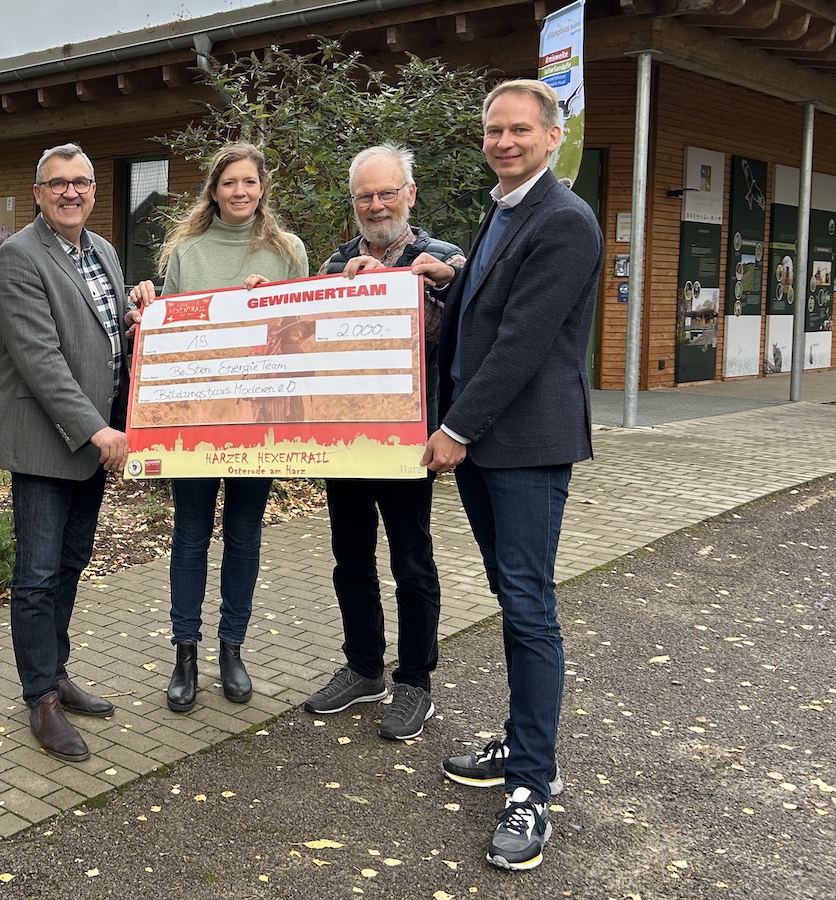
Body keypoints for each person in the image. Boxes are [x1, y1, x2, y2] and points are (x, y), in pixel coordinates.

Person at [420, 79, 604, 871]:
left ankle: (533, 783)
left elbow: (524, 341)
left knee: (528, 605)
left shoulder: (564, 220)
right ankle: (522, 745)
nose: (504, 141)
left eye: (520, 131)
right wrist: (445, 282)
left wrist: (455, 428)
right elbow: (486, 310)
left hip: (519, 446)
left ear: (553, 137)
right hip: (488, 447)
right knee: (511, 596)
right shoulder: (504, 210)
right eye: (494, 130)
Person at [127, 142, 308, 714]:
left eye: (250, 183)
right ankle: (186, 654)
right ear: (213, 190)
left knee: (245, 536)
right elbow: (170, 333)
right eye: (229, 183)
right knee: (188, 537)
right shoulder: (186, 252)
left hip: (259, 420)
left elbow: (304, 334)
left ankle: (233, 649)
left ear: (262, 189)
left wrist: (275, 308)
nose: (240, 192)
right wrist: (149, 301)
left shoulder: (288, 252)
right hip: (196, 423)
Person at [301, 143, 464, 741]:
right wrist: (264, 301)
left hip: (408, 442)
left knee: (412, 561)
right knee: (350, 557)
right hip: (343, 438)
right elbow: (304, 339)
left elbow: (472, 317)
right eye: (365, 196)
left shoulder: (443, 259)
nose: (375, 205)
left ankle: (415, 681)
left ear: (409, 195)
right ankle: (364, 666)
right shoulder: (332, 265)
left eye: (386, 192)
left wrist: (420, 281)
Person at [0, 142, 129, 763]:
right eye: (59, 183)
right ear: (39, 192)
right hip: (49, 444)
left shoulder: (103, 252)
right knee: (38, 575)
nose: (72, 192)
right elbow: (40, 360)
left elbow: (109, 338)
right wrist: (98, 431)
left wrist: (143, 313)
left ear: (94, 190)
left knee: (71, 565)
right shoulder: (19, 257)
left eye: (82, 182)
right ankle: (40, 697)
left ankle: (57, 671)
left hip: (95, 443)